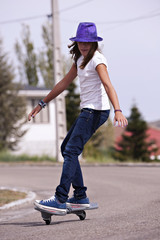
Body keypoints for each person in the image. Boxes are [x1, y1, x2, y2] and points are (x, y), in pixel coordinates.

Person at [28, 22, 128, 214]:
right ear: (76, 42)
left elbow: (108, 85)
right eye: (81, 41)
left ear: (94, 44)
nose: (84, 45)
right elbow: (64, 83)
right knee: (67, 148)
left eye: (88, 43)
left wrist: (118, 109)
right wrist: (42, 103)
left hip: (96, 111)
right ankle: (80, 196)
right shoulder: (80, 60)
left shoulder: (97, 60)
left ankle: (60, 199)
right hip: (88, 111)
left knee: (71, 150)